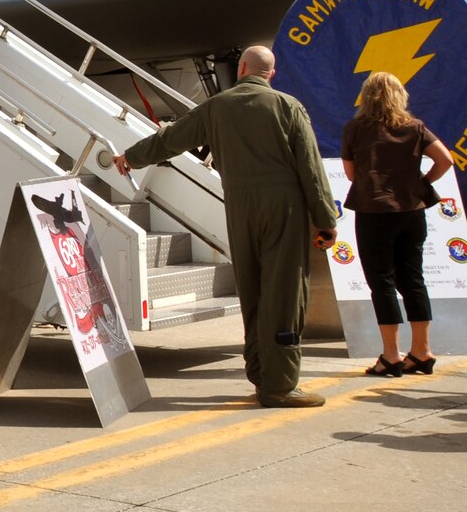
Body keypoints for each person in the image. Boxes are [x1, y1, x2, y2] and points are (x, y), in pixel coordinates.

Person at [112, 46, 338, 408]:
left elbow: (171, 139)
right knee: (285, 292)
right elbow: (310, 168)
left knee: (252, 290)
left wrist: (131, 157)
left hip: (239, 205)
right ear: (271, 74)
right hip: (284, 206)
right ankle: (280, 385)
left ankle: (261, 373)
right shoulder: (288, 106)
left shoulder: (217, 107)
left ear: (242, 69)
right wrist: (325, 219)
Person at [341, 70, 453, 376]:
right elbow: (445, 160)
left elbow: (352, 175)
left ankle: (391, 355)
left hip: (374, 212)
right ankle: (422, 351)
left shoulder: (355, 129)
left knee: (382, 283)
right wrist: (421, 182)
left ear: (367, 97)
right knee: (413, 280)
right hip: (411, 212)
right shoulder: (415, 127)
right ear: (399, 95)